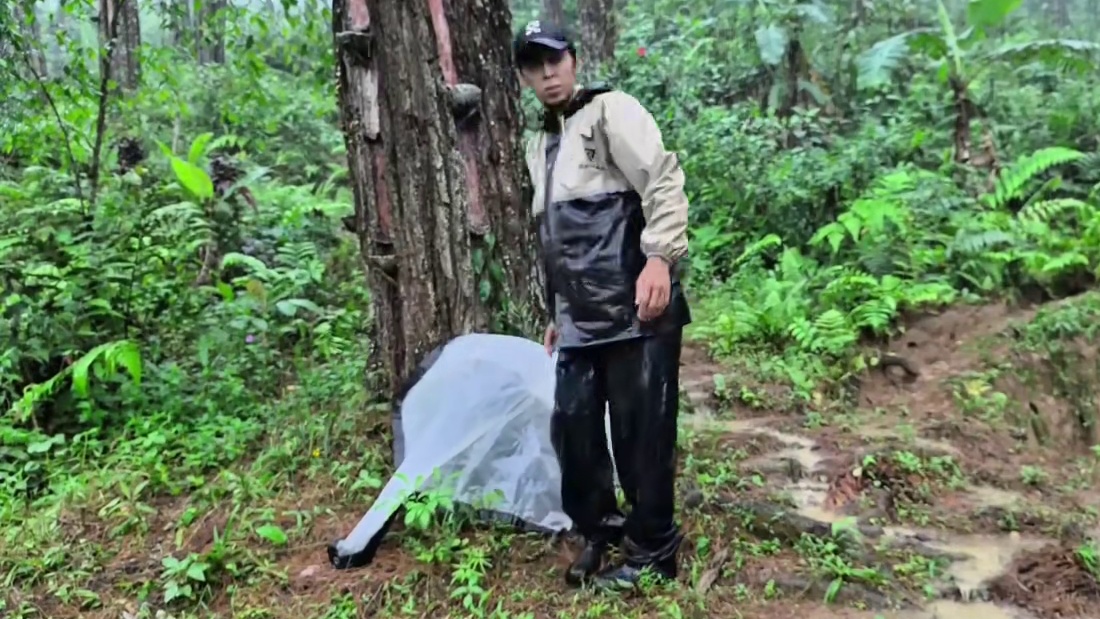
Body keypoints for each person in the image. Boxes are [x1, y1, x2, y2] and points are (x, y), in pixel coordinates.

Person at [512, 20, 692, 590]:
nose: (548, 74)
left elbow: (662, 180)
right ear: (523, 76)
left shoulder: (611, 111)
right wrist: (555, 311)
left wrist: (660, 257)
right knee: (575, 431)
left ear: (573, 59)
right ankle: (602, 531)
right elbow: (554, 237)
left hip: (636, 309)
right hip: (579, 319)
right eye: (534, 66)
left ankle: (654, 553)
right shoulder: (539, 142)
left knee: (643, 435)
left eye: (555, 60)